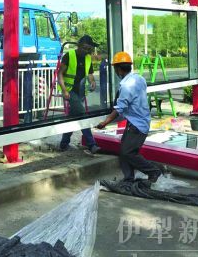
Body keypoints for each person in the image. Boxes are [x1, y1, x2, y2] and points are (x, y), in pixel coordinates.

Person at [96, 51, 162, 183]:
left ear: (119, 69)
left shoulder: (126, 86)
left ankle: (153, 171)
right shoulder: (139, 79)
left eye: (115, 68)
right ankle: (128, 179)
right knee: (124, 151)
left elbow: (119, 108)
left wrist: (105, 122)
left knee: (128, 153)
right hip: (139, 120)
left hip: (137, 124)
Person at [58, 35, 101, 154]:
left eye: (89, 49)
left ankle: (63, 144)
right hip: (69, 90)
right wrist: (64, 90)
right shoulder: (69, 55)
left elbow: (90, 73)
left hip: (81, 91)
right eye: (85, 48)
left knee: (73, 116)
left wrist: (92, 82)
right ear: (79, 45)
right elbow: (60, 74)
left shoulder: (88, 58)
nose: (86, 51)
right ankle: (92, 144)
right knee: (82, 114)